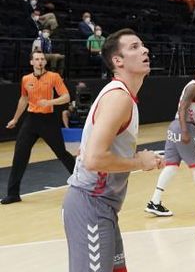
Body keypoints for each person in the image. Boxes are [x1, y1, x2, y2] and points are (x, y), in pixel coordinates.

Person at [63, 29, 163, 272]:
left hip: (102, 207)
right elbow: (94, 159)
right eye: (134, 47)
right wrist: (139, 161)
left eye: (143, 45)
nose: (144, 50)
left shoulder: (123, 96)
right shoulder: (119, 98)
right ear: (117, 61)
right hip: (90, 204)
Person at [1, 49, 76, 204]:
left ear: (45, 62)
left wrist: (50, 102)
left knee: (62, 153)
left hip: (48, 120)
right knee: (20, 155)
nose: (40, 61)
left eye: (42, 59)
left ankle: (84, 183)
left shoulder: (54, 77)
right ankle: (13, 194)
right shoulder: (26, 79)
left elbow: (66, 97)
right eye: (37, 59)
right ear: (32, 62)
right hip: (31, 120)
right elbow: (23, 99)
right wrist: (15, 119)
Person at [146, 62, 195, 216]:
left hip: (174, 126)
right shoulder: (194, 88)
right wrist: (185, 131)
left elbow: (193, 113)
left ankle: (154, 202)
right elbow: (182, 108)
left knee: (171, 166)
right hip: (184, 127)